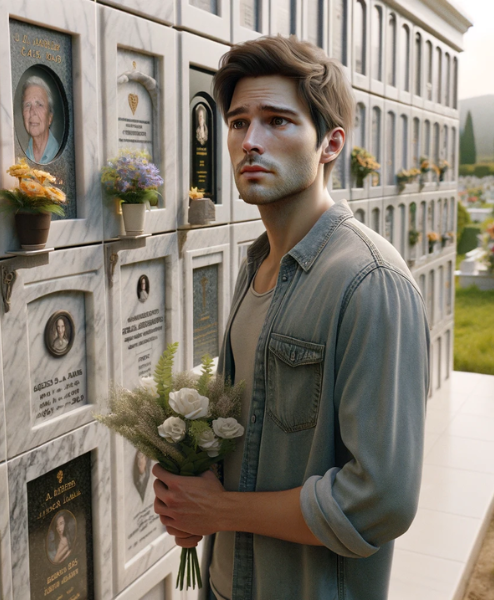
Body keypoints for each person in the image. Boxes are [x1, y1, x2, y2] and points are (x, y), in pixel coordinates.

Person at [152, 36, 430, 600]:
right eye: (238, 122)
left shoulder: (369, 282)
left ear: (330, 143)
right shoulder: (256, 263)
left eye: (278, 121)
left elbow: (382, 499)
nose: (250, 141)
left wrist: (221, 508)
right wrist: (188, 469)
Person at [21, 76, 60, 164]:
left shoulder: (57, 153)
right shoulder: (24, 155)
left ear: (49, 117)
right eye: (27, 105)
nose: (32, 111)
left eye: (39, 105)